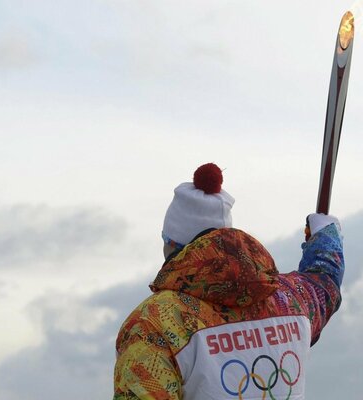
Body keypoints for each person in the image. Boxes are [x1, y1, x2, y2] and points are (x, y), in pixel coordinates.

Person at [113, 163, 344, 400]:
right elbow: (324, 281)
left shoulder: (155, 323)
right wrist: (326, 234)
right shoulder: (290, 300)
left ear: (173, 244)